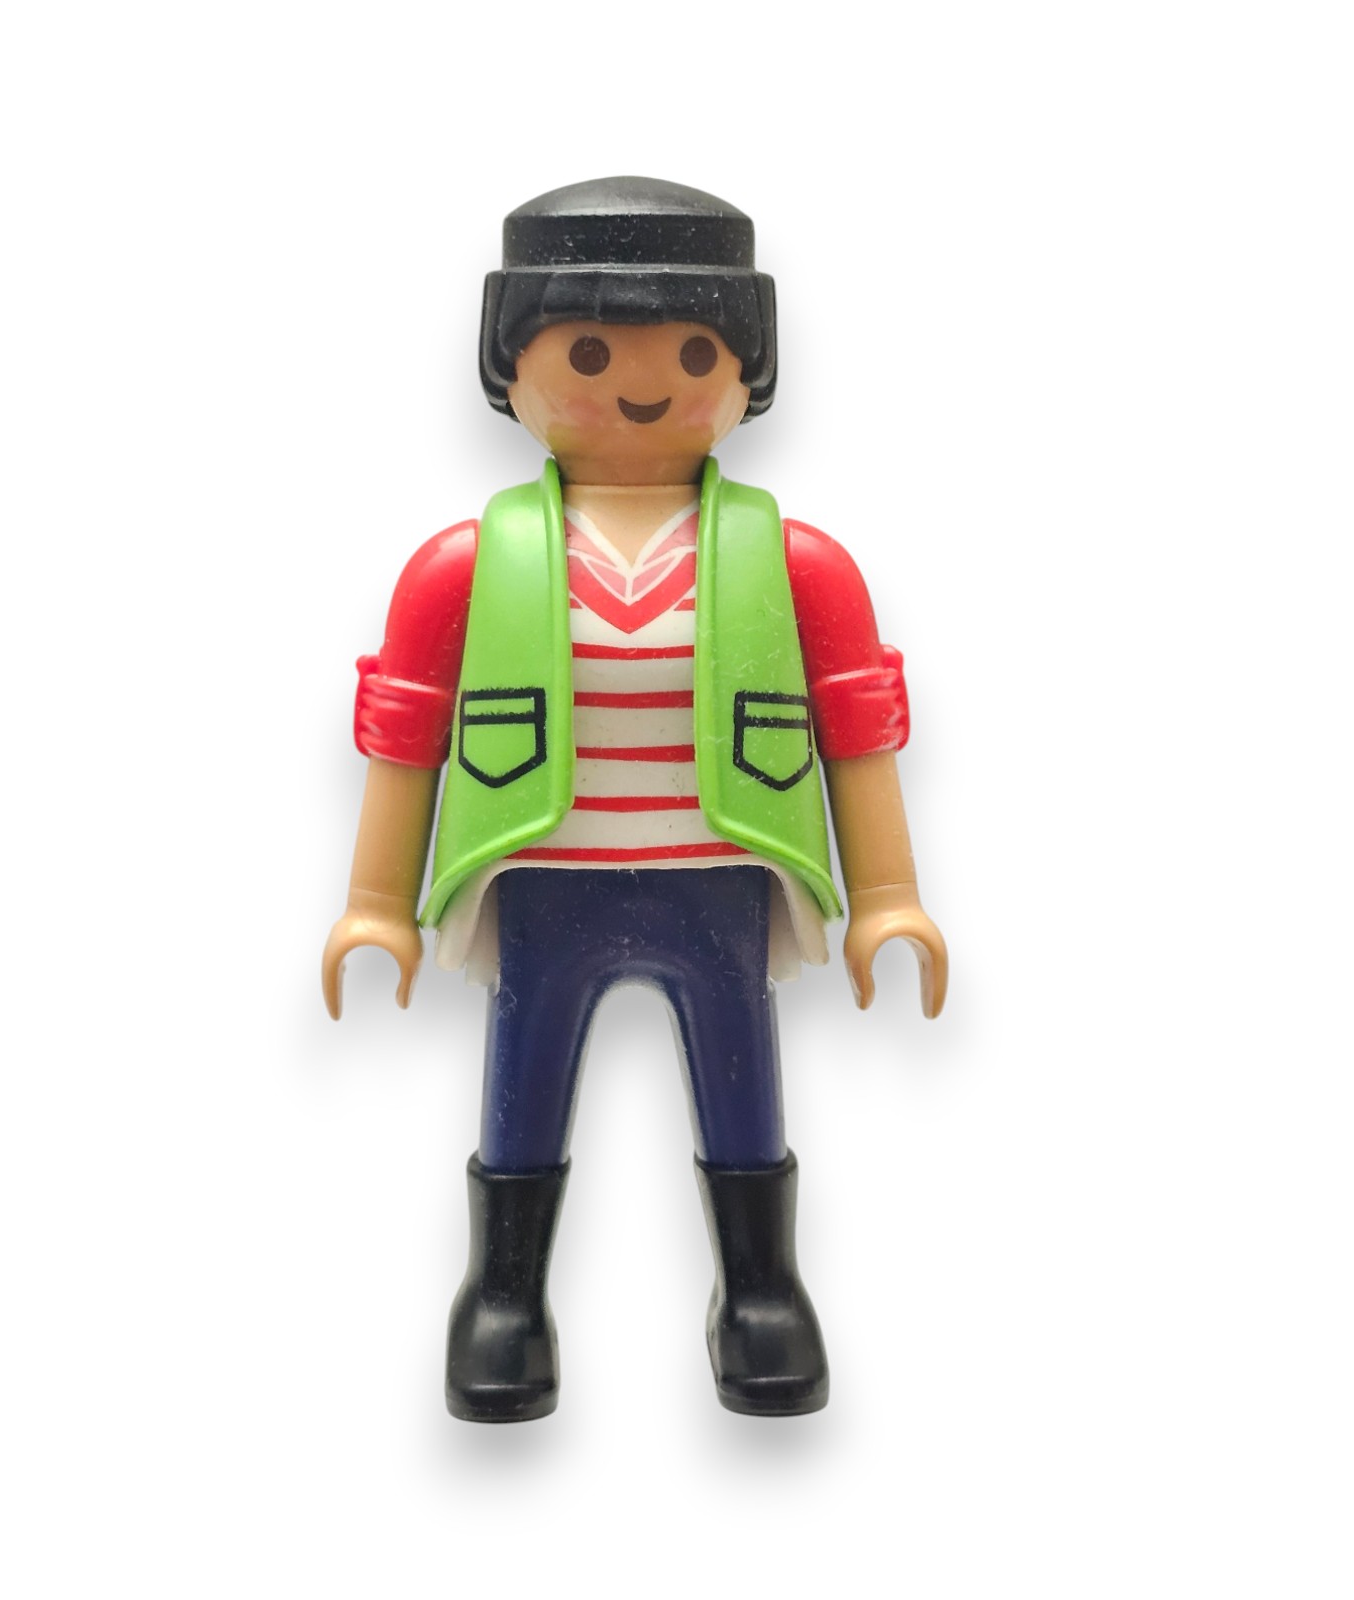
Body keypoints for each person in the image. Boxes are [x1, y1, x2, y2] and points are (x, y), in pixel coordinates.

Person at [322, 176, 948, 1422]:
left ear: (749, 372)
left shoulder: (795, 563)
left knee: (742, 1085)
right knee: (522, 1082)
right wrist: (375, 903)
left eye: (695, 352)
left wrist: (887, 894)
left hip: (722, 874)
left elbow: (857, 725)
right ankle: (503, 1295)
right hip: (539, 876)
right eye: (589, 353)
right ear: (509, 368)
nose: (643, 384)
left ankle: (760, 1287)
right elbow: (405, 729)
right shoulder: (465, 566)